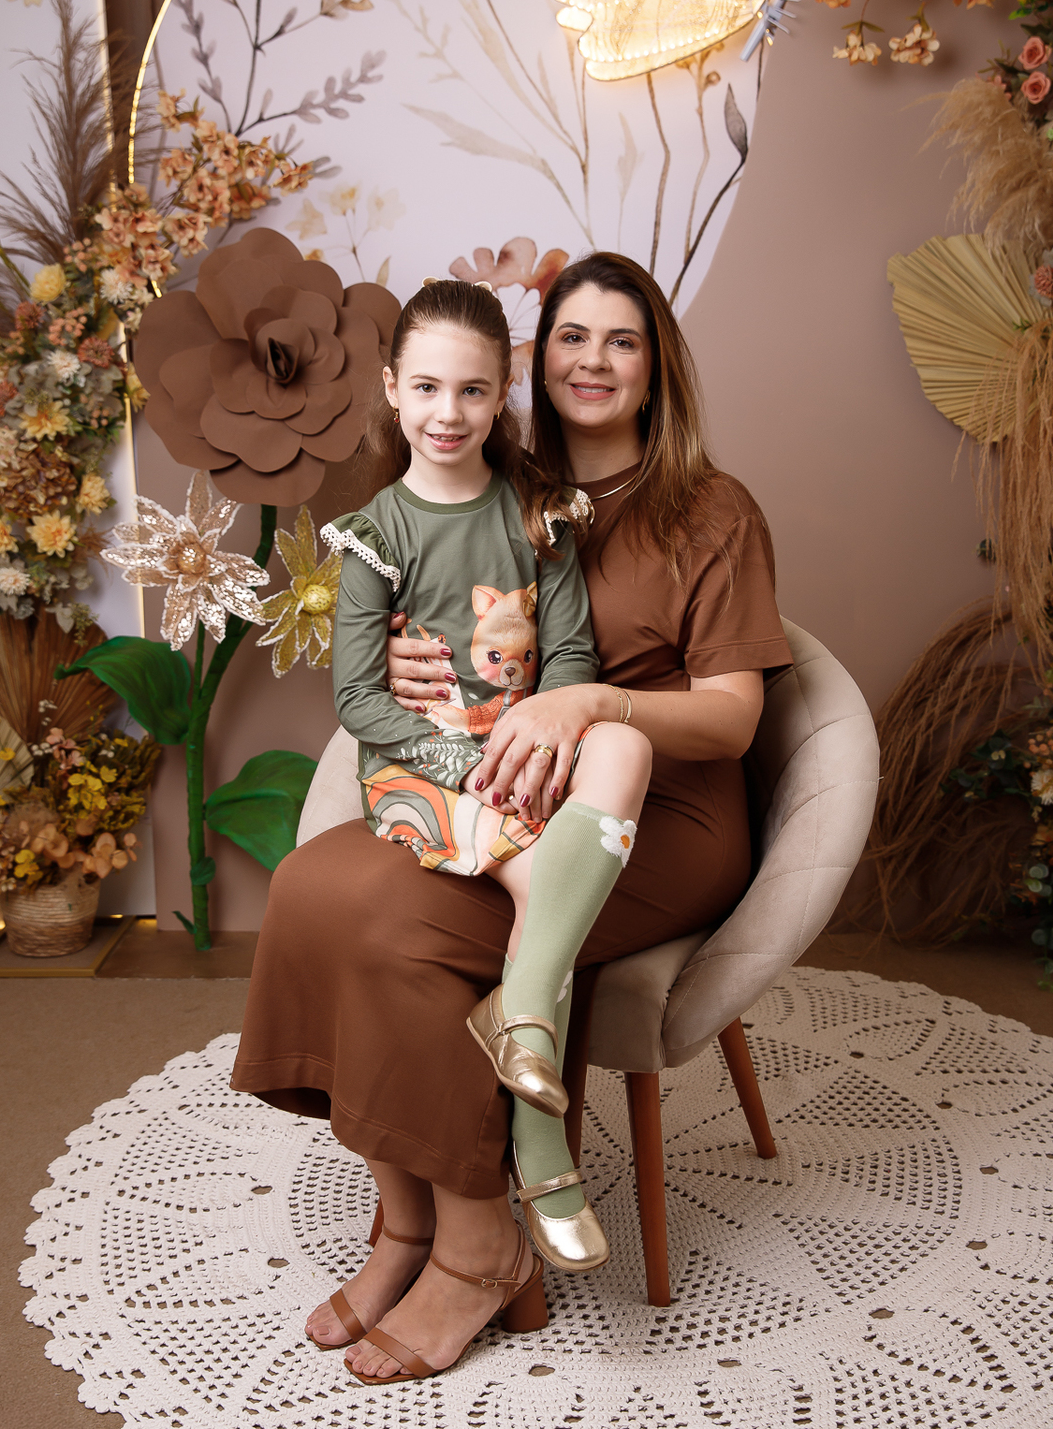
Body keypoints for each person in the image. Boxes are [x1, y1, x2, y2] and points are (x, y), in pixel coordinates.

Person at [230, 252, 792, 1384]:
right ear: (536, 364)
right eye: (574, 337)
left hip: (654, 817)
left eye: (623, 340)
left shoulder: (712, 509)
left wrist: (592, 702)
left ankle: (481, 1245)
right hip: (501, 783)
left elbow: (733, 719)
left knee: (397, 930)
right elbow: (422, 620)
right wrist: (408, 663)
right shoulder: (500, 482)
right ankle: (406, 1225)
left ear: (658, 365)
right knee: (312, 888)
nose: (595, 360)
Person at [320, 276, 652, 1292]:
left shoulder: (539, 515)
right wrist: (465, 761)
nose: (448, 413)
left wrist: (531, 740)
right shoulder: (376, 533)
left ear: (502, 390)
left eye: (471, 391)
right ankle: (544, 1154)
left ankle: (524, 1028)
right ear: (392, 389)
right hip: (425, 767)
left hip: (519, 748)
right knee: (545, 884)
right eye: (426, 388)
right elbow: (358, 699)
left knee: (615, 758)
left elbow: (570, 655)